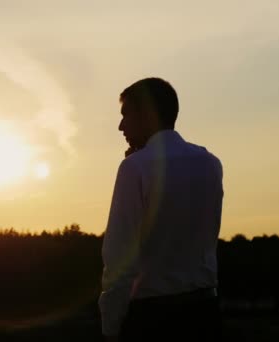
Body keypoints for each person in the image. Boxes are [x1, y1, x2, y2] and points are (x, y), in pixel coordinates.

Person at [98, 78, 224, 341]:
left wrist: (111, 327)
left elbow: (119, 258)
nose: (121, 126)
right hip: (204, 316)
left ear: (147, 115)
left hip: (152, 320)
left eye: (126, 115)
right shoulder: (211, 164)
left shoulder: (135, 168)